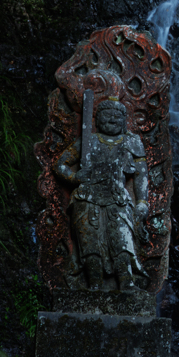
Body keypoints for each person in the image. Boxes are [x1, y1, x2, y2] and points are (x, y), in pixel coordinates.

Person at [54, 98, 148, 291]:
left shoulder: (131, 142)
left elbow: (140, 174)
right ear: (97, 119)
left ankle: (126, 282)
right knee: (90, 242)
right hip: (87, 197)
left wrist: (142, 202)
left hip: (118, 198)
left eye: (117, 116)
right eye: (107, 115)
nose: (112, 119)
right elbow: (60, 164)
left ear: (124, 120)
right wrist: (74, 177)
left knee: (122, 241)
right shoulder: (89, 141)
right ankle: (94, 284)